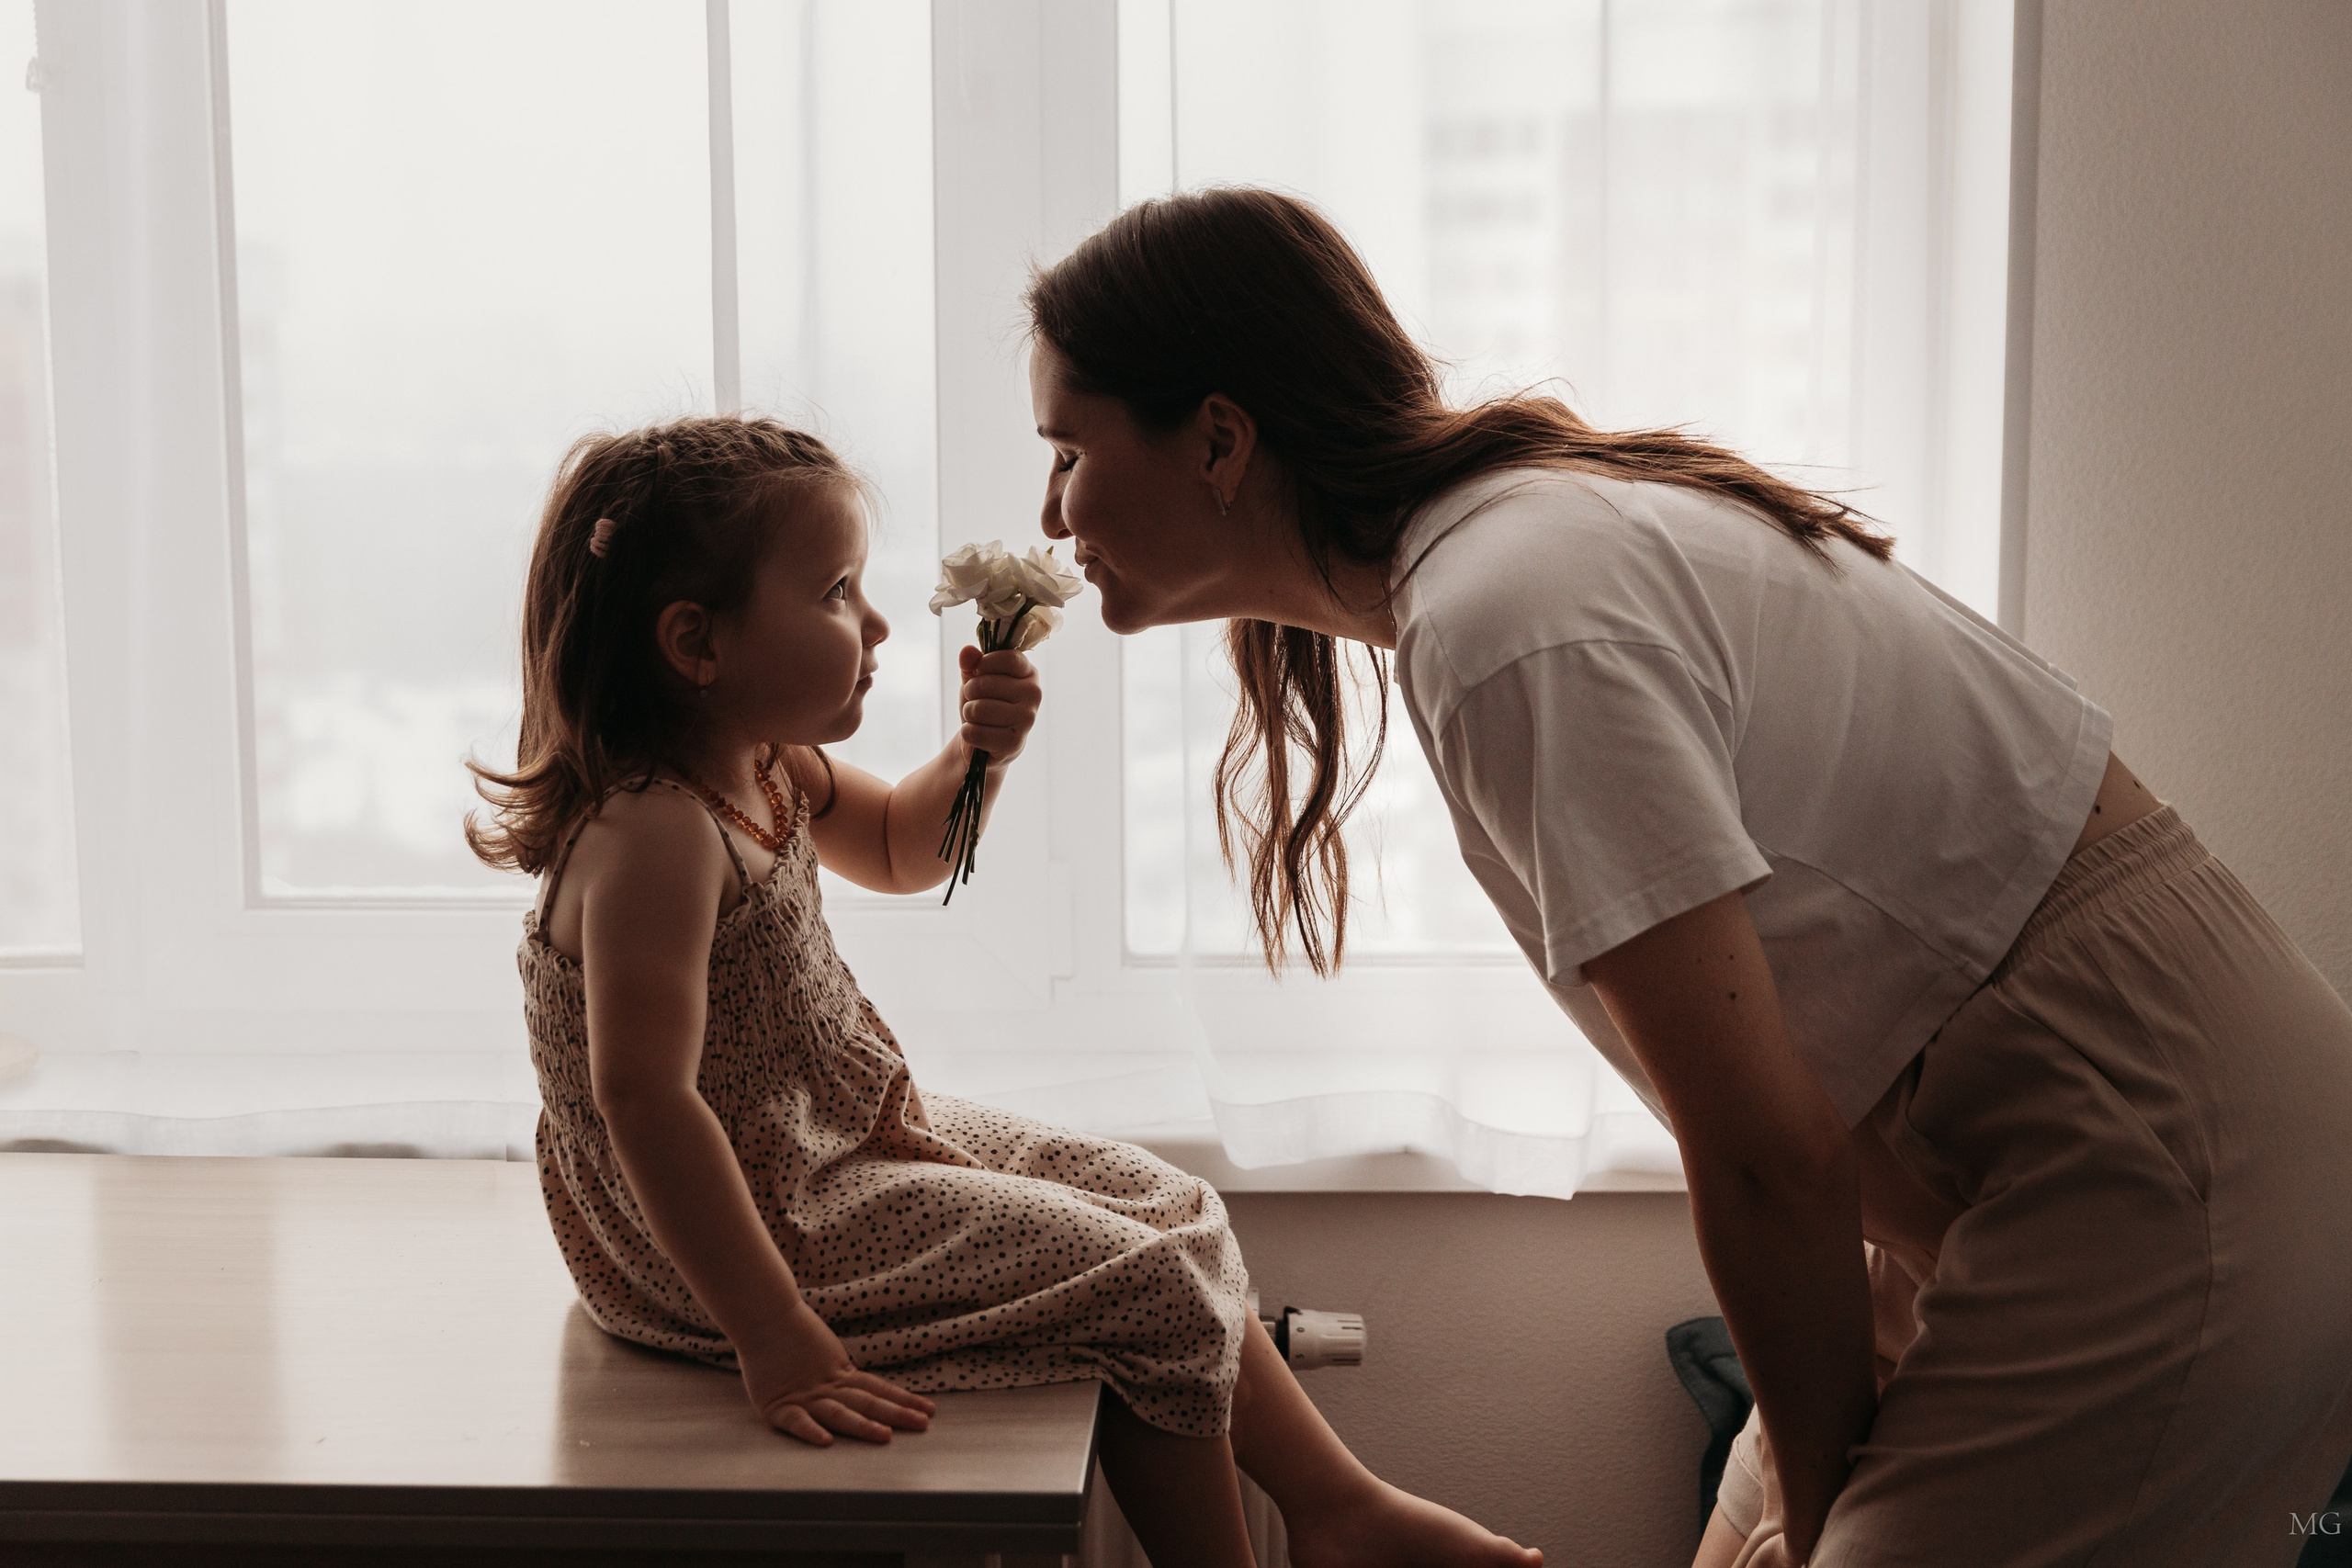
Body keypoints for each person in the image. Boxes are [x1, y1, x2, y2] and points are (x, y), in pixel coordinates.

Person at [1023, 186, 2352, 1567]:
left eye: (1066, 448)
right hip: (2019, 1146)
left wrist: (1824, 1502)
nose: (1048, 508)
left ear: (1222, 439)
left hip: (2166, 1149)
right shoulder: (1498, 566)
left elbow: (1768, 1148)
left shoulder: (1505, 616)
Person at [465, 414, 1542, 1568]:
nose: (877, 625)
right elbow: (643, 1100)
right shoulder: (654, 832)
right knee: (1145, 1283)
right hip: (740, 1226)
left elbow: (897, 848)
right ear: (696, 644)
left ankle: (1336, 1507)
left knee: (1172, 1211)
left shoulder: (764, 761)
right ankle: (1308, 1532)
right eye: (835, 593)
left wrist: (978, 758)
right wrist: (774, 1333)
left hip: (829, 1137)